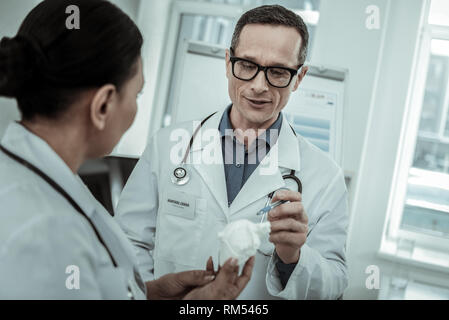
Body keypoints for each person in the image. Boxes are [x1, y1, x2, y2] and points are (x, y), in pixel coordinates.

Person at [0, 0, 254, 299]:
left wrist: (148, 293)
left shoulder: (34, 180)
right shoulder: (49, 232)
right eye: (137, 94)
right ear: (103, 105)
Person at [116, 5, 349, 300]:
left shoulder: (325, 177)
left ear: (299, 78)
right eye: (247, 65)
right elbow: (126, 243)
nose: (258, 86)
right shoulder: (168, 146)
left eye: (277, 72)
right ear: (228, 62)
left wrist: (293, 258)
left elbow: (334, 285)